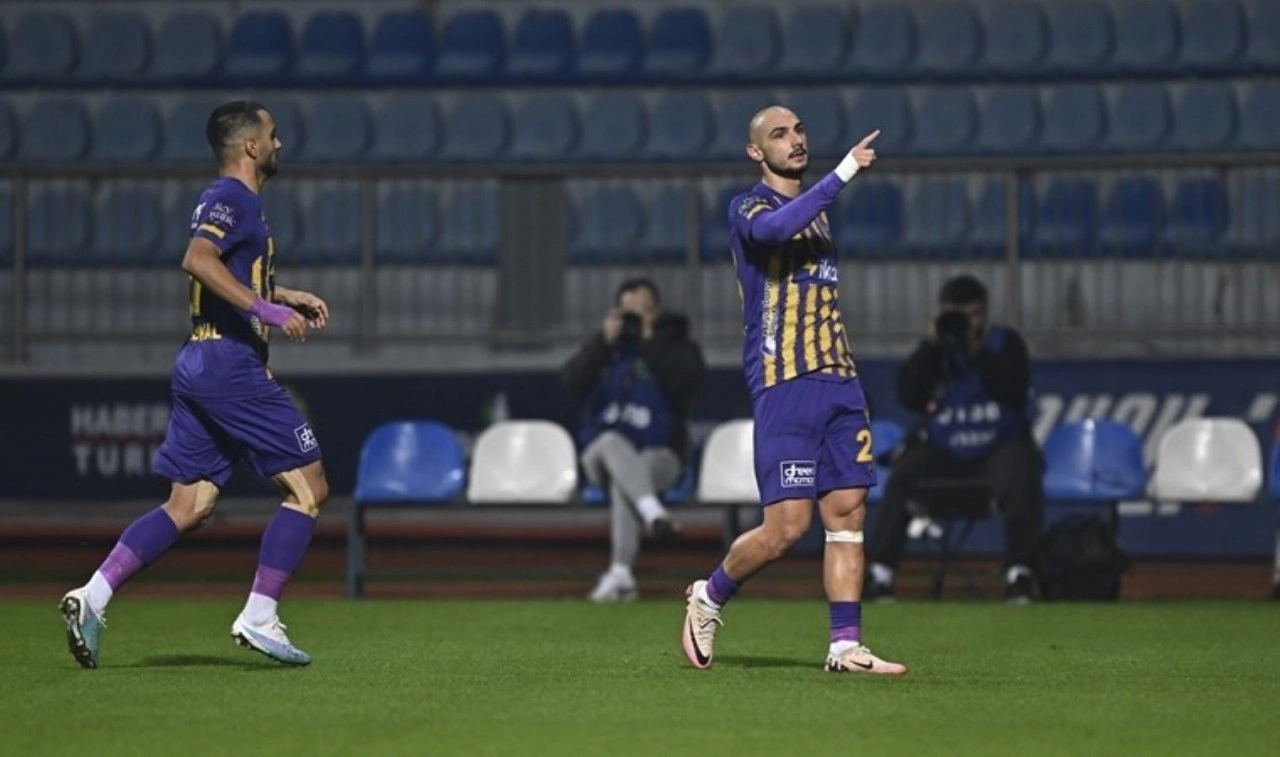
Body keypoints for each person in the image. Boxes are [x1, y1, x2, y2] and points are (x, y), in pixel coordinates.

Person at [59, 101, 331, 668]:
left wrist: (284, 294)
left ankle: (92, 596)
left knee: (191, 503)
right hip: (230, 365)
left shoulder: (226, 201)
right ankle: (259, 615)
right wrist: (266, 311)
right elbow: (198, 259)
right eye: (273, 135)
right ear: (251, 146)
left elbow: (224, 270)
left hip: (200, 360)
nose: (279, 144)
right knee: (309, 490)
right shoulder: (234, 198)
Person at [680, 106, 906, 676]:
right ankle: (709, 595)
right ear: (756, 152)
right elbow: (772, 233)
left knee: (847, 513)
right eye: (779, 135)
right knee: (787, 529)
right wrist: (844, 173)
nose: (795, 140)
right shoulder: (749, 207)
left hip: (840, 380)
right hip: (785, 382)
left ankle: (845, 647)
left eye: (800, 129)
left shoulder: (817, 216)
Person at [865, 274, 1043, 604]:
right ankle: (880, 575)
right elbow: (909, 395)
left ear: (985, 312)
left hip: (998, 448)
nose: (966, 322)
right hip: (945, 452)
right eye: (958, 315)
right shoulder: (938, 351)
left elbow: (1014, 390)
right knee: (904, 475)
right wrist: (933, 346)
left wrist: (976, 351)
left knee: (1022, 472)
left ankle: (1020, 573)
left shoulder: (1005, 343)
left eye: (973, 314)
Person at [561, 278, 705, 602]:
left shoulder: (677, 346)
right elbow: (570, 383)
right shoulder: (606, 349)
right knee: (612, 441)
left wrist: (651, 342)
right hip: (599, 456)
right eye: (628, 312)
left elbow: (688, 385)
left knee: (625, 477)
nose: (635, 319)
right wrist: (602, 343)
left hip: (660, 456)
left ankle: (621, 574)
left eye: (643, 311)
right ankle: (652, 512)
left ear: (656, 312)